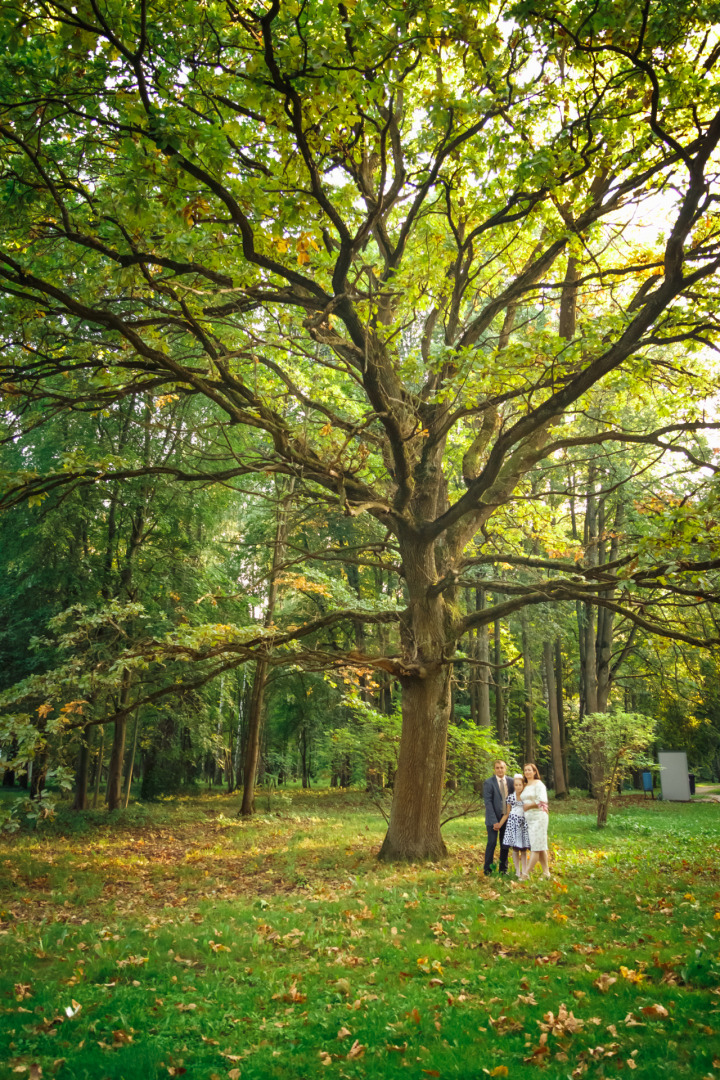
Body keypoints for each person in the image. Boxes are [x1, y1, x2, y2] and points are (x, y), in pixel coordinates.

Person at [520, 763, 551, 879]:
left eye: (529, 770)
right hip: (530, 819)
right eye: (525, 770)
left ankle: (525, 874)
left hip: (539, 817)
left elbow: (543, 801)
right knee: (540, 845)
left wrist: (529, 806)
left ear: (534, 772)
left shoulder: (539, 784)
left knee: (535, 847)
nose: (527, 772)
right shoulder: (526, 785)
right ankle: (546, 872)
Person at [499, 773, 531, 879]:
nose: (518, 787)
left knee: (523, 849)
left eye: (520, 785)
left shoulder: (526, 797)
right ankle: (517, 871)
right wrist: (500, 824)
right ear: (514, 786)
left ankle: (525, 871)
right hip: (513, 825)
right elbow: (507, 813)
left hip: (523, 825)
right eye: (516, 785)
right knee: (515, 849)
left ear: (523, 785)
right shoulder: (511, 798)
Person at [482, 759, 510, 875]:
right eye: (497, 768)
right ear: (494, 769)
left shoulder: (511, 782)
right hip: (492, 819)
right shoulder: (489, 783)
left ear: (505, 768)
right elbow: (488, 802)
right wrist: (494, 821)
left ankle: (503, 869)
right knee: (492, 843)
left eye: (502, 767)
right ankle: (487, 869)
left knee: (505, 845)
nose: (500, 770)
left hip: (507, 818)